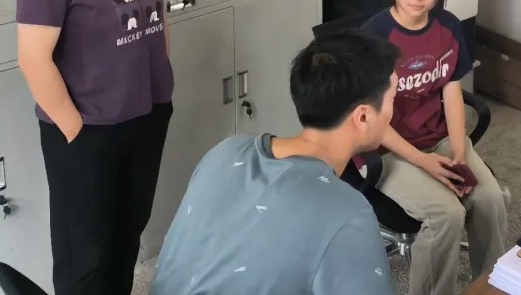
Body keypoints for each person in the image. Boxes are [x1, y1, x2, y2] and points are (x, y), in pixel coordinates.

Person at [16, 0, 173, 295]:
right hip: (88, 128)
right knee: (84, 253)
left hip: (146, 115)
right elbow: (34, 57)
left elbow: (157, 16)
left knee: (126, 235)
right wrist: (75, 129)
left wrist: (161, 79)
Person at [152, 29, 400, 295]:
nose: (393, 110)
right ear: (363, 117)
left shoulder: (225, 151)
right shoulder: (348, 213)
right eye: (393, 98)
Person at [362, 0, 508, 295]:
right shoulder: (375, 36)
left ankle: (489, 287)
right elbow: (371, 119)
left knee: (490, 199)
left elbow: (451, 91)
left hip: (437, 137)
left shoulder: (448, 26)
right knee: (446, 214)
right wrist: (425, 163)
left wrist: (459, 152)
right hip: (385, 148)